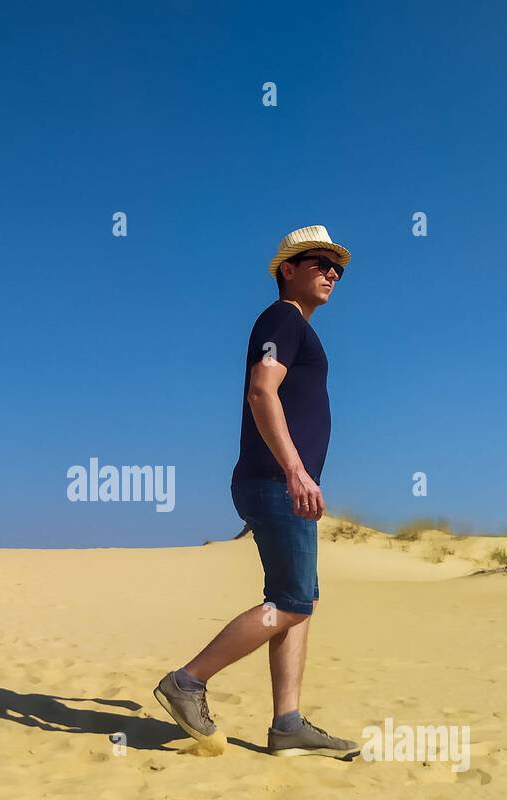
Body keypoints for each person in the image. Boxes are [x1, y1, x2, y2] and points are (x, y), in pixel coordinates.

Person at [154, 225, 360, 758]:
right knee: (290, 603)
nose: (332, 272)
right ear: (287, 270)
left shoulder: (294, 326)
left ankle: (287, 724)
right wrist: (295, 471)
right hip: (275, 482)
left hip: (279, 484)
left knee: (298, 602)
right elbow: (261, 391)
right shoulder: (282, 318)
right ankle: (187, 681)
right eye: (319, 261)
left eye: (337, 266)